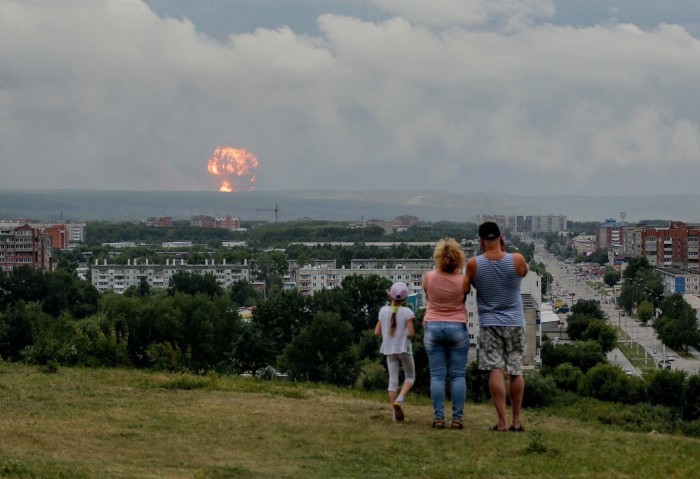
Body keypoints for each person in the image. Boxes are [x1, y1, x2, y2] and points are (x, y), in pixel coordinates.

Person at [466, 221, 529, 432]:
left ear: (481, 241)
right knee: (516, 371)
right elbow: (524, 272)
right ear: (501, 237)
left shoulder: (474, 264)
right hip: (515, 323)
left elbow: (467, 286)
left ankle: (501, 422)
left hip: (489, 323)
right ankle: (516, 421)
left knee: (496, 370)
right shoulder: (517, 259)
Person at [422, 238, 470, 429]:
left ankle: (439, 418)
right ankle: (457, 419)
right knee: (458, 376)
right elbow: (463, 298)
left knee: (437, 376)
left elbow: (428, 296)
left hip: (433, 327)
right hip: (457, 327)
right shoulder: (463, 281)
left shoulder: (428, 277)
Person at [375, 281, 416, 422]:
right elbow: (411, 334)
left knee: (392, 382)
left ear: (390, 296)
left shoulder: (383, 311)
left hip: (389, 350)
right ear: (405, 299)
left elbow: (377, 332)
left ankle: (395, 416)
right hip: (404, 349)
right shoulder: (408, 312)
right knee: (410, 377)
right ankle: (400, 399)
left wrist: (388, 336)